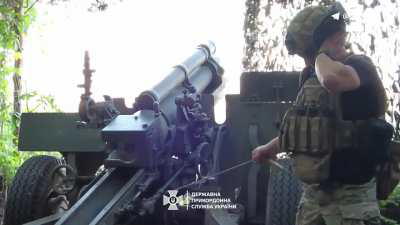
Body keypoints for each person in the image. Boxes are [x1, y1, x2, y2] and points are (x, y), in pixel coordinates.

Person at [252, 2, 389, 225]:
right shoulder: (310, 75)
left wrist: (322, 54)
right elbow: (306, 129)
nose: (306, 61)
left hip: (352, 202)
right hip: (313, 200)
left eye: (309, 54)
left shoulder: (359, 66)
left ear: (336, 38)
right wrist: (268, 148)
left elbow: (333, 81)